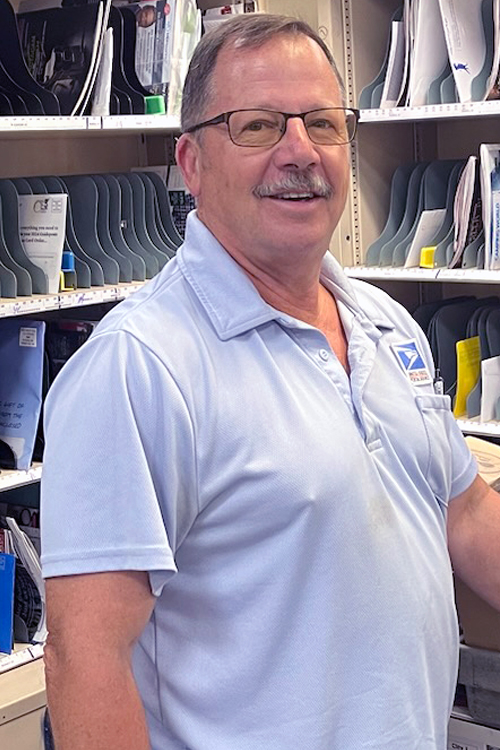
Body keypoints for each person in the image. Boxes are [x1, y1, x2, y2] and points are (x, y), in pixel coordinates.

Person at [40, 13, 500, 750]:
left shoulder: (382, 322)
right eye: (257, 126)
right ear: (191, 163)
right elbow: (84, 657)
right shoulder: (140, 369)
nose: (300, 152)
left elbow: (466, 512)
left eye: (322, 123)